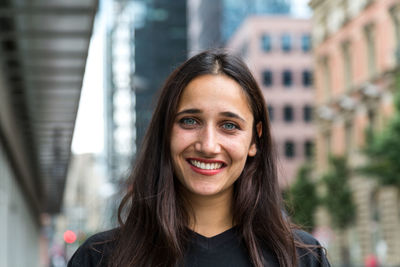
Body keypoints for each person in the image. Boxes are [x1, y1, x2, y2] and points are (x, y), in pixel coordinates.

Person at [68, 49, 331, 267]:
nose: (208, 145)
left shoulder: (303, 257)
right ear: (165, 131)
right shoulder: (99, 258)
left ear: (254, 139)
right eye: (190, 121)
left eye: (229, 125)